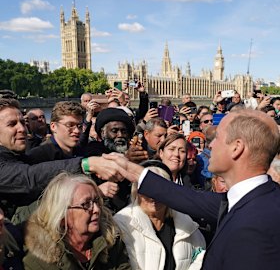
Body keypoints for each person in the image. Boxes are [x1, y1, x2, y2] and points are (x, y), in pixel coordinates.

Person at [104, 108, 280, 270]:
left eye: (218, 137)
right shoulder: (254, 199)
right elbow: (185, 197)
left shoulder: (255, 226)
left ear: (237, 148)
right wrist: (128, 168)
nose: (211, 145)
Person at [23, 172, 131, 269]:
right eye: (86, 204)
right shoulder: (39, 261)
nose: (97, 209)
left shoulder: (110, 241)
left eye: (97, 201)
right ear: (62, 214)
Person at [114, 160, 205, 270]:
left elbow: (200, 254)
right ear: (136, 191)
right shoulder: (122, 222)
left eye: (158, 192)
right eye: (147, 191)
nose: (153, 197)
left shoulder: (184, 220)